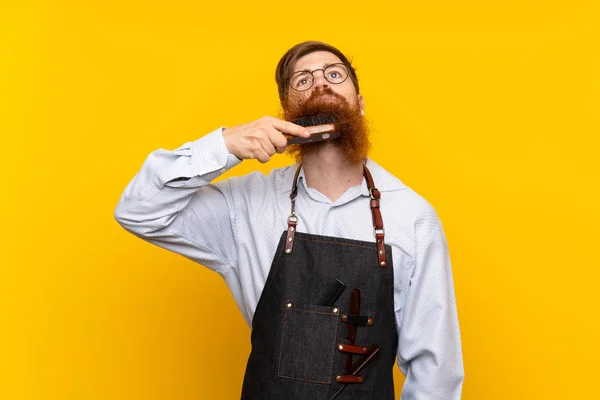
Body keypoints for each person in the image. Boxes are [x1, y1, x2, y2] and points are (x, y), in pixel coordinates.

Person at [114, 41, 464, 399]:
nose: (321, 83)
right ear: (286, 111)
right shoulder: (244, 208)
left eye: (334, 74)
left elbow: (436, 370)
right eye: (303, 80)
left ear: (360, 105)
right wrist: (225, 144)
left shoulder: (412, 217)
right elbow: (138, 211)